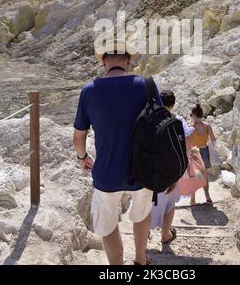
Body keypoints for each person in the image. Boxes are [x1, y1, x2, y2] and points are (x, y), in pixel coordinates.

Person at [73, 38, 162, 265]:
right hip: (142, 170)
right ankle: (141, 260)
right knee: (141, 215)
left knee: (108, 224)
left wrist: (83, 158)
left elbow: (79, 136)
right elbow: (161, 128)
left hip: (106, 171)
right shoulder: (146, 86)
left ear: (104, 61)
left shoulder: (89, 91)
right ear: (129, 60)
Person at [150, 90, 196, 245]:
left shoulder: (150, 120)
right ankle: (165, 235)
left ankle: (143, 236)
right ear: (173, 104)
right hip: (173, 170)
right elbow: (188, 143)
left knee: (149, 202)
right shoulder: (178, 120)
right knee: (170, 203)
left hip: (153, 169)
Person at [189, 103, 216, 206]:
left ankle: (192, 198)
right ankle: (208, 196)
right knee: (204, 175)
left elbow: (189, 143)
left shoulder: (192, 128)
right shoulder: (207, 126)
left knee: (194, 175)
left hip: (195, 153)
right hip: (205, 152)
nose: (191, 116)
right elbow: (213, 139)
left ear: (195, 115)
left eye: (191, 114)